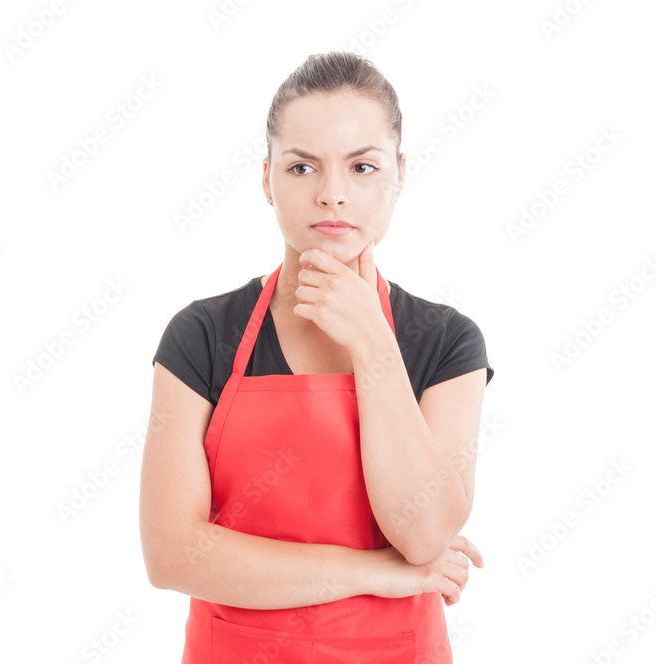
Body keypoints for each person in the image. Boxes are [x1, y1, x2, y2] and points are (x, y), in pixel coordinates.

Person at [139, 51, 495, 663]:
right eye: (302, 167)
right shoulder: (202, 336)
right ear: (266, 179)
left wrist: (373, 343)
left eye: (363, 166)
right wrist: (374, 573)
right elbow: (172, 556)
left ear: (399, 174)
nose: (333, 195)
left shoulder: (446, 341)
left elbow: (423, 533)